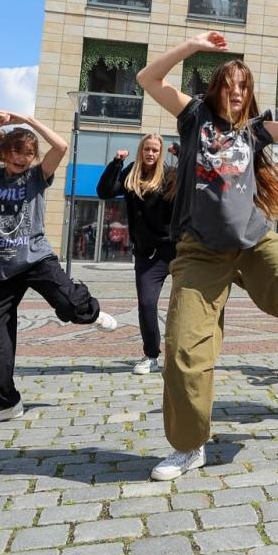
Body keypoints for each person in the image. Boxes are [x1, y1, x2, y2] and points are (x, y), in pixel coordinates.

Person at [137, 34, 278, 481]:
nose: (237, 92)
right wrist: (191, 46)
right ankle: (190, 446)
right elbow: (147, 77)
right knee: (182, 349)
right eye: (231, 84)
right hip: (199, 252)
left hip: (252, 240)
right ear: (217, 89)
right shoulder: (193, 117)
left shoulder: (255, 132)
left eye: (245, 87)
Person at [0, 111, 116, 425]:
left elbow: (60, 147)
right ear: (4, 154)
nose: (24, 158)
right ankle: (4, 404)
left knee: (70, 304)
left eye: (29, 154)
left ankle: (92, 312)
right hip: (2, 267)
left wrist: (29, 121)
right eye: (18, 152)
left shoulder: (36, 177)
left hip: (36, 258)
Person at [96, 134, 176, 375]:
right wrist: (116, 163)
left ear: (160, 153)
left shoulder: (170, 175)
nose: (150, 154)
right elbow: (105, 192)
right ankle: (151, 355)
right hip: (147, 254)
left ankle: (186, 354)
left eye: (155, 150)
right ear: (141, 150)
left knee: (186, 305)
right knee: (146, 304)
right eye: (147, 149)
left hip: (175, 251)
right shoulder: (131, 173)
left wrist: (182, 155)